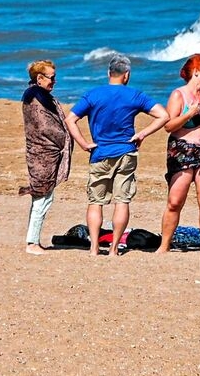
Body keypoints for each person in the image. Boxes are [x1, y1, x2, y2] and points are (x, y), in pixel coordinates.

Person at [65, 53, 170, 257]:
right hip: (125, 152)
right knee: (122, 200)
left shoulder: (94, 94)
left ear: (109, 73)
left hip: (100, 152)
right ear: (126, 75)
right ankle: (113, 248)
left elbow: (71, 119)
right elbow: (163, 115)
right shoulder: (134, 95)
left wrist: (83, 143)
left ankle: (94, 248)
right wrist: (142, 134)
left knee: (96, 201)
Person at [156, 53, 200, 255]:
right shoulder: (179, 95)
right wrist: (189, 114)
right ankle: (164, 245)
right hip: (183, 150)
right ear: (195, 72)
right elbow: (168, 125)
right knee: (175, 201)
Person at [19, 59, 74, 254]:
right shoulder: (35, 98)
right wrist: (65, 137)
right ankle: (32, 243)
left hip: (44, 153)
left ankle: (32, 239)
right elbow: (44, 127)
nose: (54, 81)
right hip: (42, 155)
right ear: (39, 78)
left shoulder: (39, 96)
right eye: (52, 77)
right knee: (42, 198)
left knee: (42, 197)